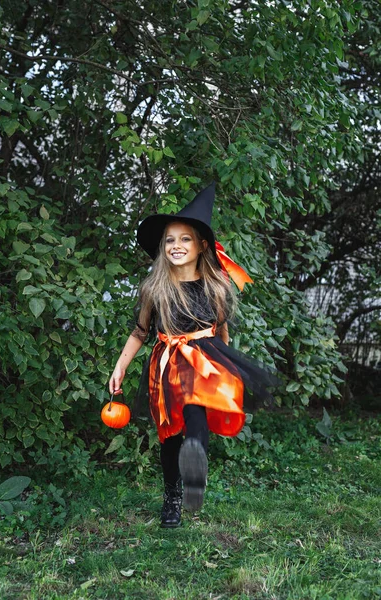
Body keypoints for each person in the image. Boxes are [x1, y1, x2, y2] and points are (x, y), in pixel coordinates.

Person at [109, 182, 279, 528]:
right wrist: (121, 365)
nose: (176, 245)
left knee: (196, 412)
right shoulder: (154, 287)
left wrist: (229, 366)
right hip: (167, 365)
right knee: (170, 435)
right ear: (162, 246)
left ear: (201, 245)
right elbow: (140, 332)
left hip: (204, 361)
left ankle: (196, 464)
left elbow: (221, 329)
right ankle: (173, 495)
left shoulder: (217, 284)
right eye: (170, 239)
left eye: (185, 238)